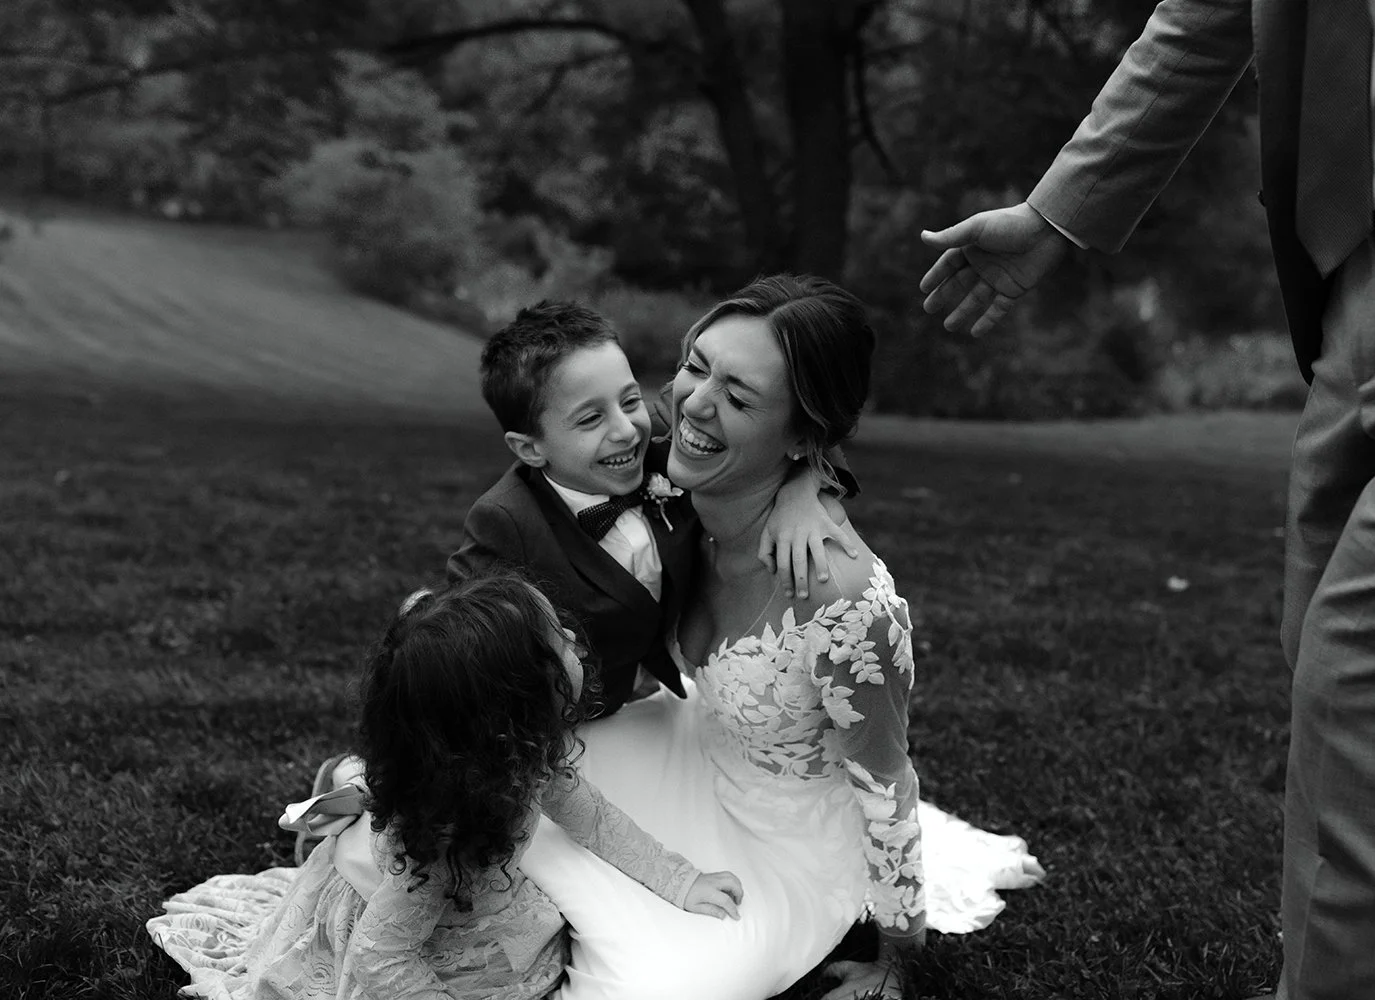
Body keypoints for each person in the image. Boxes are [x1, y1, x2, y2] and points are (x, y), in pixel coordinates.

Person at [917, 4, 1375, 999]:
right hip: (1358, 274)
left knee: (1370, 683)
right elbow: (1201, 20)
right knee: (1323, 641)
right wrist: (1058, 211)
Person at [517, 275, 1045, 1000]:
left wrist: (896, 956)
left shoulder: (849, 605)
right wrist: (812, 478)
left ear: (800, 434)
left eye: (738, 398)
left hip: (786, 850)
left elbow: (887, 786)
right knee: (494, 785)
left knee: (659, 989)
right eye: (697, 367)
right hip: (691, 746)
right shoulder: (675, 484)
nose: (694, 405)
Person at [146, 572, 744, 999]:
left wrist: (681, 881)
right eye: (556, 640)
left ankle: (344, 783)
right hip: (424, 938)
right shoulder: (434, 851)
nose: (573, 636)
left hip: (481, 907)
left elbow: (593, 817)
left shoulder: (525, 754)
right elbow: (380, 958)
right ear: (510, 707)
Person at [448, 300, 859, 717]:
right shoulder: (503, 521)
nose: (626, 431)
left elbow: (802, 434)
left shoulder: (667, 455)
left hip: (664, 697)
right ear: (529, 449)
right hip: (572, 726)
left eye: (629, 402)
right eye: (591, 419)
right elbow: (461, 645)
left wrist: (802, 489)